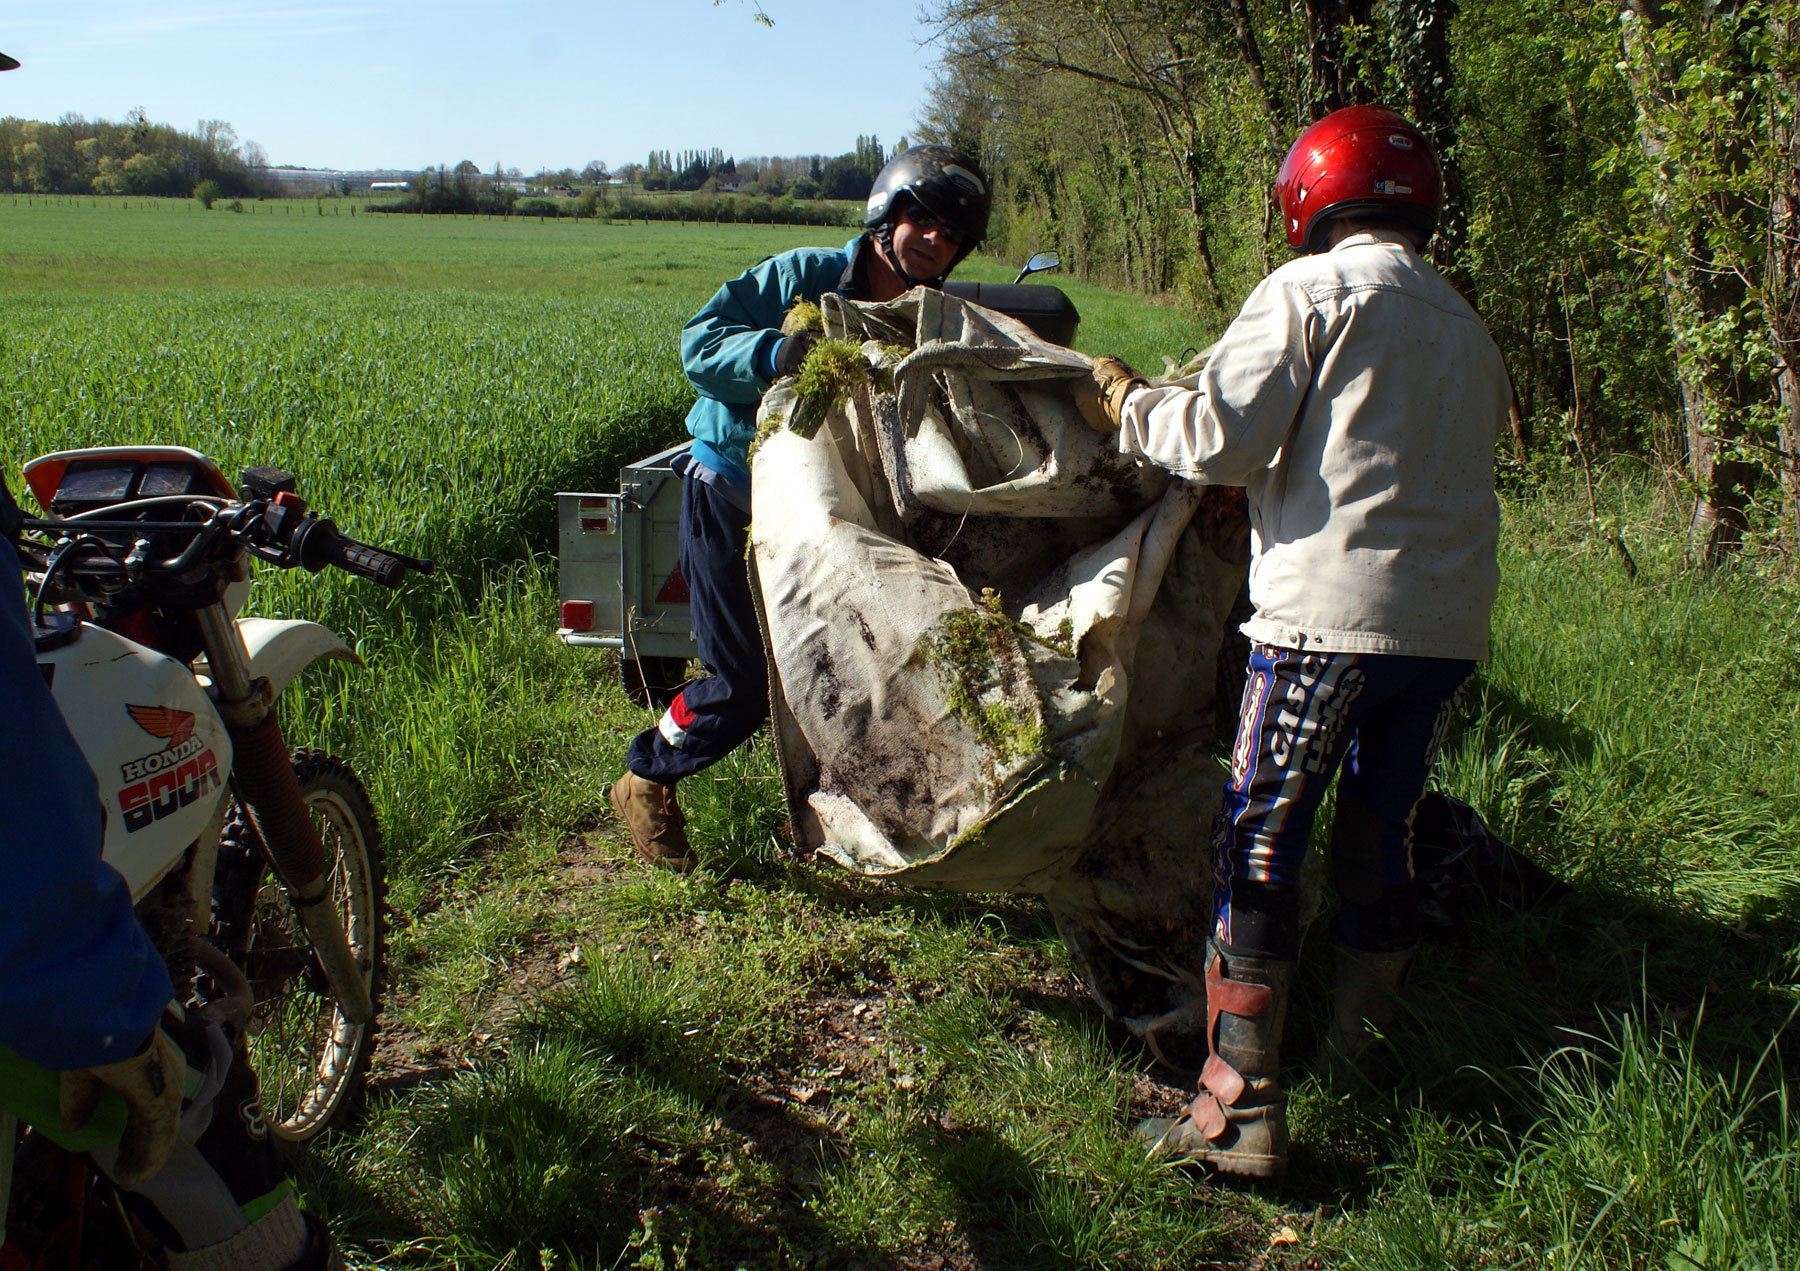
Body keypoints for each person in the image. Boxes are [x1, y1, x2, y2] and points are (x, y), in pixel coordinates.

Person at [1077, 105, 1509, 1180]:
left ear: (1311, 196)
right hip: (1446, 627)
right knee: (1382, 831)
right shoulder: (1463, 319)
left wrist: (1134, 406)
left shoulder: (1307, 292)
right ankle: (1362, 1061)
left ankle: (1239, 1111)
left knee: (1261, 839)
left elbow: (1222, 440)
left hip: (1325, 622)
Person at [611, 146, 991, 870]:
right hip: (733, 491)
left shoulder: (931, 316)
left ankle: (845, 816)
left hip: (834, 515)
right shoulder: (806, 279)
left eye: (951, 235)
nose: (934, 241)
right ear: (888, 214)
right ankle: (645, 775)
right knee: (745, 684)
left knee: (838, 667)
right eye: (924, 221)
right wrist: (776, 354)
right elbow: (700, 342)